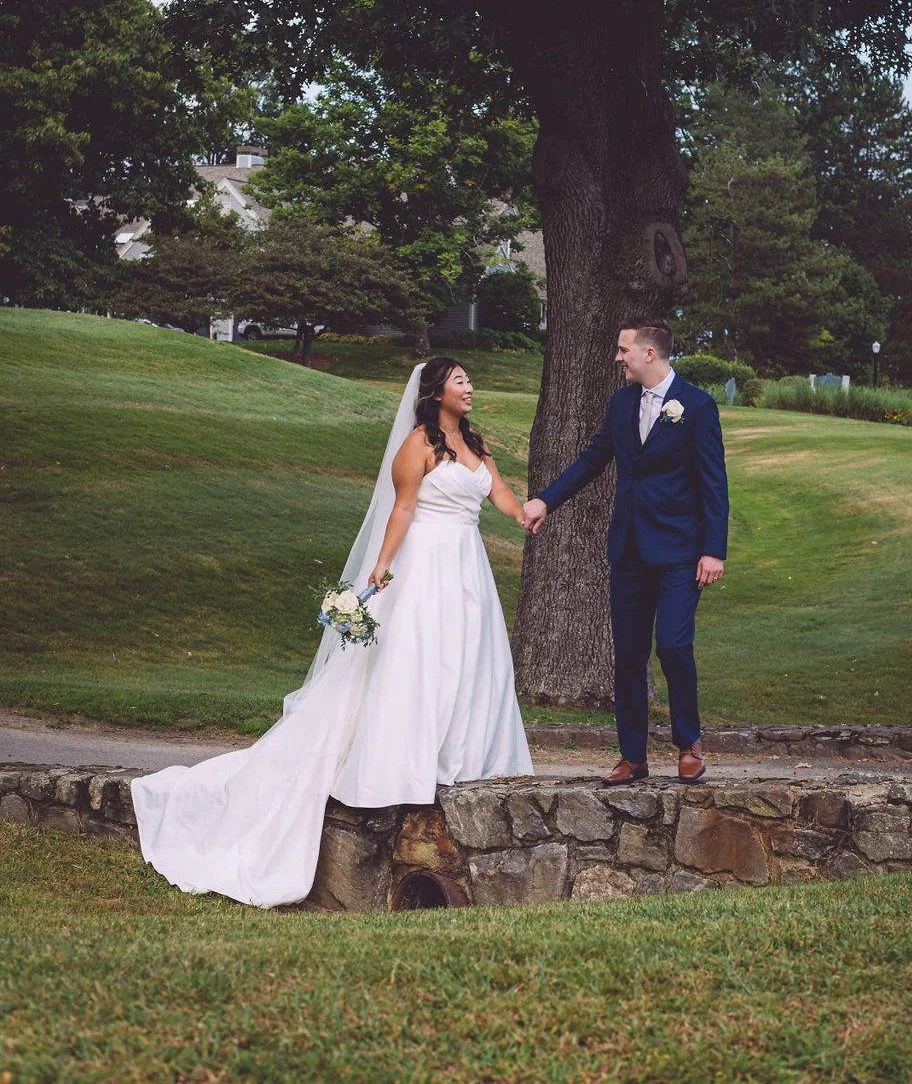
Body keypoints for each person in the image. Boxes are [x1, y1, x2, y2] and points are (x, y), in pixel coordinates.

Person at [132, 358, 534, 907]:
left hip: (468, 568)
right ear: (435, 390)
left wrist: (529, 513)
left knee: (469, 659)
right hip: (424, 567)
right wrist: (381, 569)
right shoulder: (417, 443)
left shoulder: (477, 446)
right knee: (419, 658)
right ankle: (406, 763)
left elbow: (501, 496)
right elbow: (403, 509)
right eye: (460, 380)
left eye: (469, 380)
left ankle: (460, 758)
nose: (470, 387)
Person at [522, 319, 728, 787]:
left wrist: (713, 550)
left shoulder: (696, 406)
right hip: (629, 548)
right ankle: (632, 756)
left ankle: (688, 743)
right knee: (628, 656)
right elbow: (593, 459)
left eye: (623, 350)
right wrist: (545, 501)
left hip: (680, 551)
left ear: (649, 353)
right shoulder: (621, 403)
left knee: (673, 645)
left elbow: (714, 484)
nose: (618, 358)